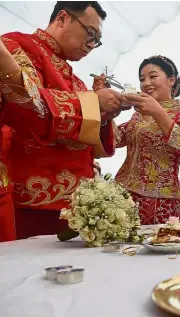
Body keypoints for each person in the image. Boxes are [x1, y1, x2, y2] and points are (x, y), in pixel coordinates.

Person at [0, 1, 124, 239]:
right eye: (90, 33)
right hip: (35, 203)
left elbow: (94, 148)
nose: (92, 45)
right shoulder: (18, 46)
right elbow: (29, 107)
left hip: (81, 207)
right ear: (63, 18)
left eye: (97, 40)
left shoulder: (76, 81)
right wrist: (94, 103)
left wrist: (106, 116)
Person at [115, 55, 180, 224]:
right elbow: (115, 139)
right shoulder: (138, 115)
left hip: (160, 202)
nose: (146, 83)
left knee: (160, 246)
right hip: (124, 196)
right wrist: (108, 111)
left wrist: (158, 112)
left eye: (153, 77)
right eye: (142, 79)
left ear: (171, 80)